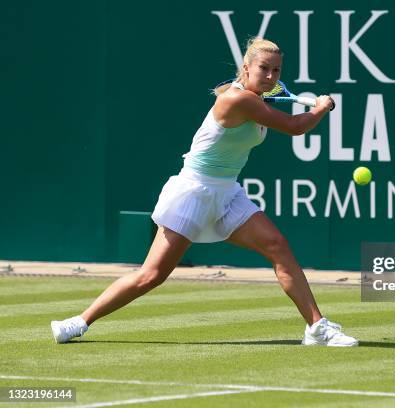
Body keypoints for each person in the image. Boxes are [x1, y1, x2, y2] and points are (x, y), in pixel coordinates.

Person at [51, 37, 358, 347]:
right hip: (194, 191)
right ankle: (78, 322)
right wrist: (321, 108)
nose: (270, 77)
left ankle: (317, 328)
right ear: (246, 68)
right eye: (263, 68)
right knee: (151, 275)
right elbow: (294, 127)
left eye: (276, 70)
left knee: (277, 245)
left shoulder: (255, 98)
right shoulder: (238, 100)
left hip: (227, 193)